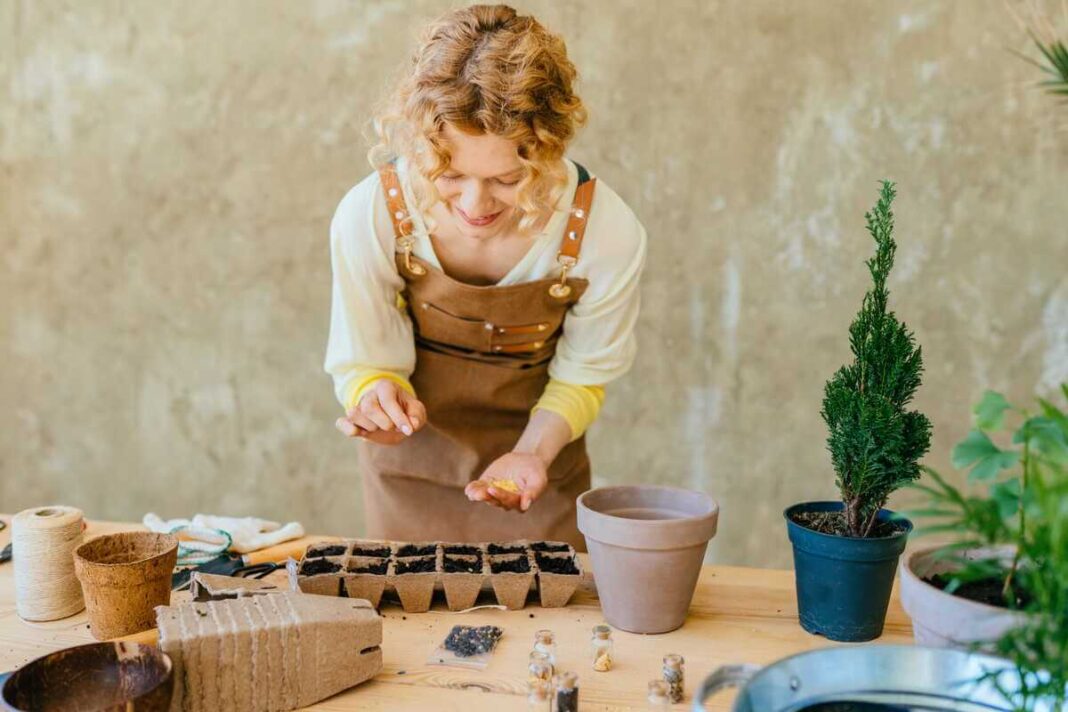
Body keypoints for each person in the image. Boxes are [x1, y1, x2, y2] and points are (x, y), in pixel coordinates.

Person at [325, 4, 646, 548]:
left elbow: (582, 377)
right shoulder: (373, 213)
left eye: (506, 178)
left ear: (550, 149)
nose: (475, 205)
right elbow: (367, 355)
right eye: (449, 174)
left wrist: (533, 454)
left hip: (537, 475)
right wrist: (374, 391)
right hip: (407, 476)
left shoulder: (604, 232)